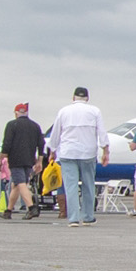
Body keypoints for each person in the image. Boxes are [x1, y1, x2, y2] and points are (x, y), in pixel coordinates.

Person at [49, 86, 106, 226]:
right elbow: (102, 132)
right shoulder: (94, 111)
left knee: (70, 186)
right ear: (87, 98)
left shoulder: (64, 111)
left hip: (68, 152)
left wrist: (52, 150)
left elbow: (56, 132)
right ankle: (87, 216)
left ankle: (73, 218)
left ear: (73, 97)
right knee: (88, 185)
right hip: (88, 152)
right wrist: (106, 150)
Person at [0, 102, 45, 219]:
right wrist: (39, 160)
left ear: (16, 113)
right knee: (16, 185)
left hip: (16, 159)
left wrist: (1, 159)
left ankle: (31, 208)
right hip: (29, 159)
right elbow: (41, 144)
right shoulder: (35, 126)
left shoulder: (11, 125)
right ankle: (8, 211)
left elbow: (7, 143)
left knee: (21, 183)